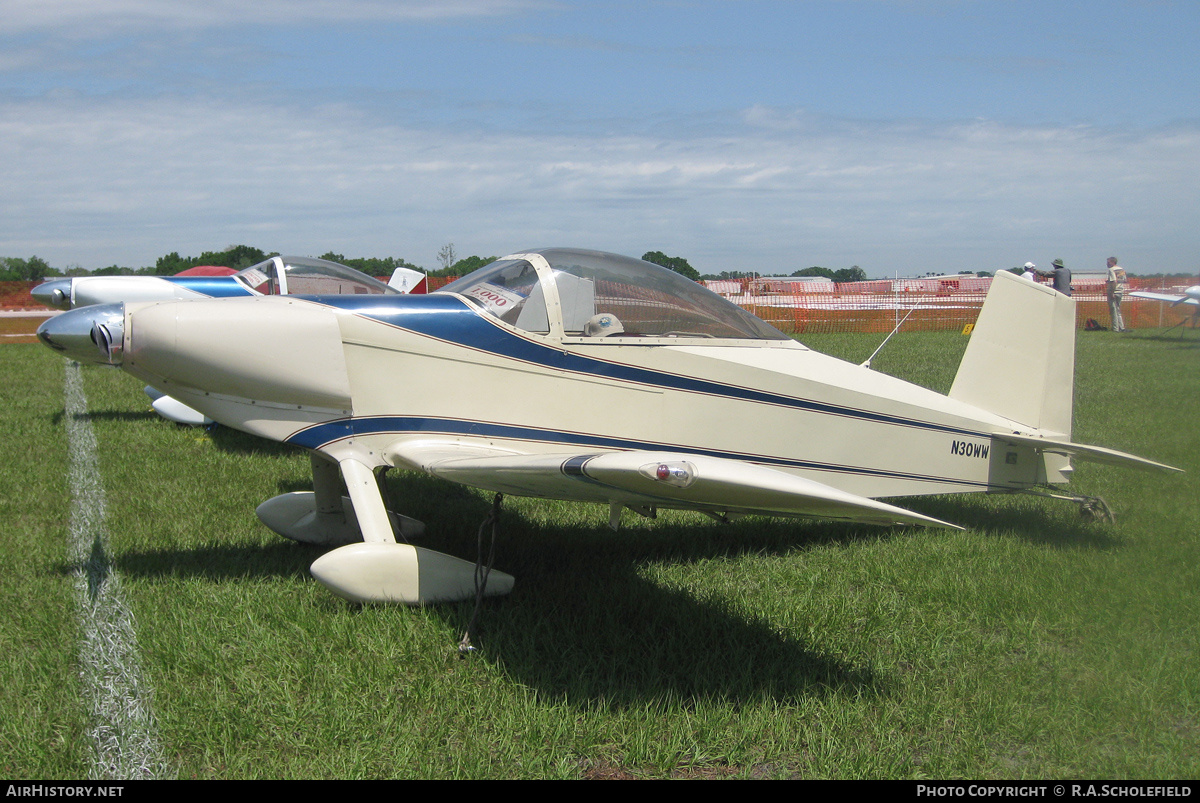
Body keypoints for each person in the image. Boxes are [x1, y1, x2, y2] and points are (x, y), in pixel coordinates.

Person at [1106, 256, 1128, 332]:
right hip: (1120, 290)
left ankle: (1115, 328)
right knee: (1118, 310)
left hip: (1114, 291)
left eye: (1108, 262)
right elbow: (1124, 280)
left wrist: (1112, 292)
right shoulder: (1121, 269)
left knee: (1113, 310)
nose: (1107, 264)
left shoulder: (1111, 270)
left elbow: (1114, 281)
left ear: (1112, 262)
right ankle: (1122, 327)